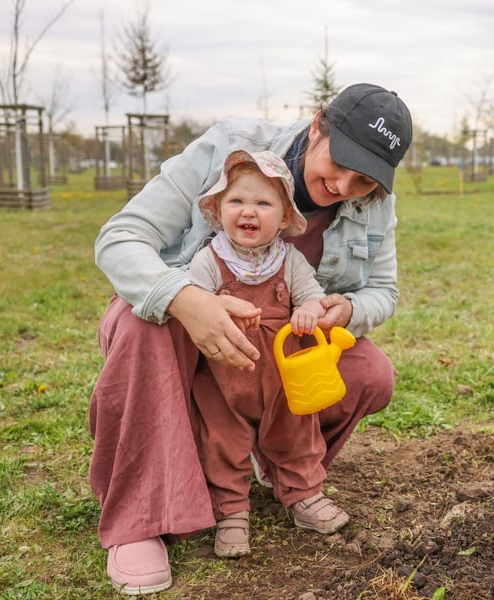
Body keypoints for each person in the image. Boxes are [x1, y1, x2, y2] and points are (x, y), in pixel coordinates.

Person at [90, 83, 412, 595]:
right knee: (142, 325)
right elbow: (120, 237)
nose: (346, 185)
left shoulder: (374, 205)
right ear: (316, 126)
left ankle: (280, 467)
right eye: (341, 161)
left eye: (365, 180)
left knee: (368, 374)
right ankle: (140, 520)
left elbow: (384, 291)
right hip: (182, 322)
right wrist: (185, 299)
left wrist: (347, 308)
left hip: (278, 344)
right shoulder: (228, 146)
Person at [185, 148, 344, 560]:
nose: (248, 211)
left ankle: (304, 495)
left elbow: (312, 294)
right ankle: (232, 512)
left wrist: (308, 308)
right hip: (223, 378)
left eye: (263, 202)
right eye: (236, 201)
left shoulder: (288, 260)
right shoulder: (209, 259)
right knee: (222, 441)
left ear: (285, 217)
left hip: (281, 378)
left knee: (297, 435)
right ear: (218, 211)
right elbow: (194, 302)